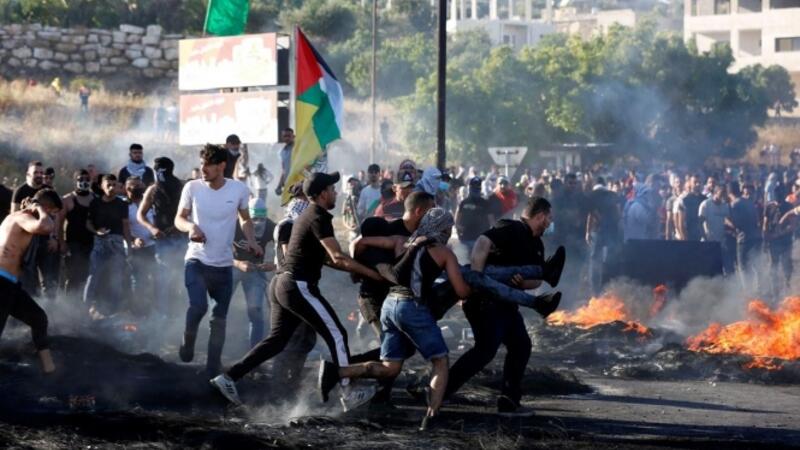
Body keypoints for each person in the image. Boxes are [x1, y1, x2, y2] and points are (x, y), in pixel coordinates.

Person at [211, 172, 382, 410]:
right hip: (297, 285)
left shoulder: (306, 216)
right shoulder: (318, 216)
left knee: (277, 340)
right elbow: (337, 256)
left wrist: (354, 270)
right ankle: (347, 391)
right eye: (332, 190)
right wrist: (373, 274)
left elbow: (327, 259)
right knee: (337, 334)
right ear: (322, 194)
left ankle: (229, 377)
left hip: (282, 284)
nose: (336, 193)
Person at [343, 208, 472, 430]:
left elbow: (360, 242)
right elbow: (461, 291)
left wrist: (357, 271)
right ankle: (431, 417)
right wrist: (471, 287)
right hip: (412, 307)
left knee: (391, 366)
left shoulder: (402, 240)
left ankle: (335, 372)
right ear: (442, 229)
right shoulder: (443, 253)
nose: (449, 232)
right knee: (440, 361)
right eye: (448, 228)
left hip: (390, 303)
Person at [446, 196, 560, 416]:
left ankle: (509, 401)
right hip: (485, 301)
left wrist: (523, 283)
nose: (550, 223)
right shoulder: (511, 228)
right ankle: (439, 390)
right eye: (549, 218)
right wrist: (478, 278)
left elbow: (537, 280)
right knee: (485, 350)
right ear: (540, 216)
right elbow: (483, 241)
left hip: (507, 303)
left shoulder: (537, 244)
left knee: (521, 346)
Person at [174, 144, 262, 375]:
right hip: (197, 260)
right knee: (198, 306)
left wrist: (251, 241)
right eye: (201, 164)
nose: (203, 169)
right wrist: (191, 227)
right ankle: (188, 339)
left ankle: (213, 367)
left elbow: (245, 219)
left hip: (223, 265)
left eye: (208, 165)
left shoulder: (239, 189)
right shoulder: (192, 187)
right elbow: (179, 219)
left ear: (221, 166)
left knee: (219, 318)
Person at [0, 189, 62, 374]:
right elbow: (45, 226)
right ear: (45, 207)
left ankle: (49, 369)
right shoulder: (21, 218)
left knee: (38, 318)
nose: (52, 217)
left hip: (10, 284)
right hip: (1, 282)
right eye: (52, 212)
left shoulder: (20, 218)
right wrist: (38, 207)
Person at [268, 183, 319, 399]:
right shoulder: (289, 225)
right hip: (291, 288)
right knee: (290, 338)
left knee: (304, 338)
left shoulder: (298, 224)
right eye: (305, 198)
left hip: (296, 286)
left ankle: (291, 382)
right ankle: (280, 387)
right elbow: (292, 257)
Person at [137, 157, 186, 319]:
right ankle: (163, 316)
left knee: (183, 279)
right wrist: (152, 228)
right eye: (157, 170)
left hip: (181, 238)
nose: (160, 174)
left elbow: (192, 210)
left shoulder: (182, 186)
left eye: (162, 170)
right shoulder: (152, 190)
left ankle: (182, 315)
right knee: (163, 279)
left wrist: (181, 225)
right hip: (163, 240)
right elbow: (140, 214)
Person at [84, 174, 131, 319]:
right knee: (93, 276)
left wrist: (129, 246)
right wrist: (96, 231)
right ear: (101, 186)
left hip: (117, 243)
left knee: (116, 278)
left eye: (114, 184)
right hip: (99, 242)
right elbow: (88, 223)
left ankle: (114, 311)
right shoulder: (95, 203)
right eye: (108, 185)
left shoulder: (122, 204)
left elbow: (125, 226)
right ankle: (85, 308)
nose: (111, 188)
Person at [232, 197, 276, 348]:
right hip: (232, 266)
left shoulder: (270, 227)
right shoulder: (234, 224)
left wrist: (273, 265)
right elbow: (219, 251)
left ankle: (254, 351)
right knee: (219, 308)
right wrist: (238, 263)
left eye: (262, 219)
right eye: (254, 219)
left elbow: (284, 249)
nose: (258, 223)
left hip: (255, 270)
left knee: (255, 310)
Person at [57, 170, 95, 296]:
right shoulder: (67, 199)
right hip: (74, 243)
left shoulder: (95, 198)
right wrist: (62, 243)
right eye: (80, 179)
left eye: (87, 179)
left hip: (92, 243)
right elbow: (59, 223)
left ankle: (86, 302)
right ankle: (70, 303)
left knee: (89, 275)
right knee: (73, 276)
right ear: (75, 181)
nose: (84, 182)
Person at [125, 177, 157, 316]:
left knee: (155, 277)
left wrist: (155, 232)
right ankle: (138, 311)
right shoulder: (125, 206)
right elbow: (122, 228)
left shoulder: (150, 203)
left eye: (140, 185)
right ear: (128, 189)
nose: (139, 189)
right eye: (135, 186)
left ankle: (154, 308)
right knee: (137, 279)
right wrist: (134, 240)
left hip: (152, 246)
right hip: (134, 248)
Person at [585, 177, 622, 295]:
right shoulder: (613, 195)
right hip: (611, 231)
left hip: (597, 231)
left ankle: (595, 290)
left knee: (595, 259)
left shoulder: (591, 195)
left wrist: (587, 232)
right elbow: (618, 214)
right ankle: (609, 286)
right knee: (611, 258)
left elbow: (591, 214)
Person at [728, 182, 761, 291]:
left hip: (745, 239)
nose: (748, 195)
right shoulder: (749, 204)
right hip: (750, 238)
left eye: (750, 193)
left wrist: (733, 227)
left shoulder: (738, 203)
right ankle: (754, 289)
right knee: (751, 265)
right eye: (747, 193)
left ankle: (749, 290)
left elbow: (731, 219)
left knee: (744, 266)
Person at [763, 183, 793, 299]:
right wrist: (765, 239)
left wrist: (780, 233)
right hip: (773, 242)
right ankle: (775, 292)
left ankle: (788, 289)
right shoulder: (769, 207)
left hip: (785, 241)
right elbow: (765, 224)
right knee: (773, 267)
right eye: (777, 192)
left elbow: (792, 225)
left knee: (786, 265)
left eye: (781, 192)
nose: (779, 194)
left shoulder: (789, 206)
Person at [698, 185, 733, 275]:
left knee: (727, 268)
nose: (723, 196)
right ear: (715, 193)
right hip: (709, 242)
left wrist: (733, 227)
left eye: (724, 194)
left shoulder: (725, 206)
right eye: (721, 194)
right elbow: (700, 222)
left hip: (722, 243)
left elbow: (727, 220)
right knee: (708, 268)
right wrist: (705, 237)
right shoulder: (706, 204)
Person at [455, 177, 494, 256]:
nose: (475, 189)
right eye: (473, 187)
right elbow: (457, 220)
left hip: (480, 240)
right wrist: (459, 233)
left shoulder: (485, 203)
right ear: (470, 188)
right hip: (466, 239)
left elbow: (492, 222)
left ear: (480, 188)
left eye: (477, 187)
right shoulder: (463, 203)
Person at [674, 175, 705, 241]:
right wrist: (684, 237)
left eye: (699, 182)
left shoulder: (705, 200)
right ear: (690, 183)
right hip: (689, 235)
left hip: (702, 236)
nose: (698, 184)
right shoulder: (684, 200)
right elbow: (680, 222)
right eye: (695, 182)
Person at [275, 128, 295, 196]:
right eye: (285, 136)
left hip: (299, 182)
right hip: (288, 185)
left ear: (293, 136)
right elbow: (284, 171)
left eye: (289, 136)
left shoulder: (298, 148)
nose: (287, 138)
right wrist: (279, 186)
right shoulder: (282, 152)